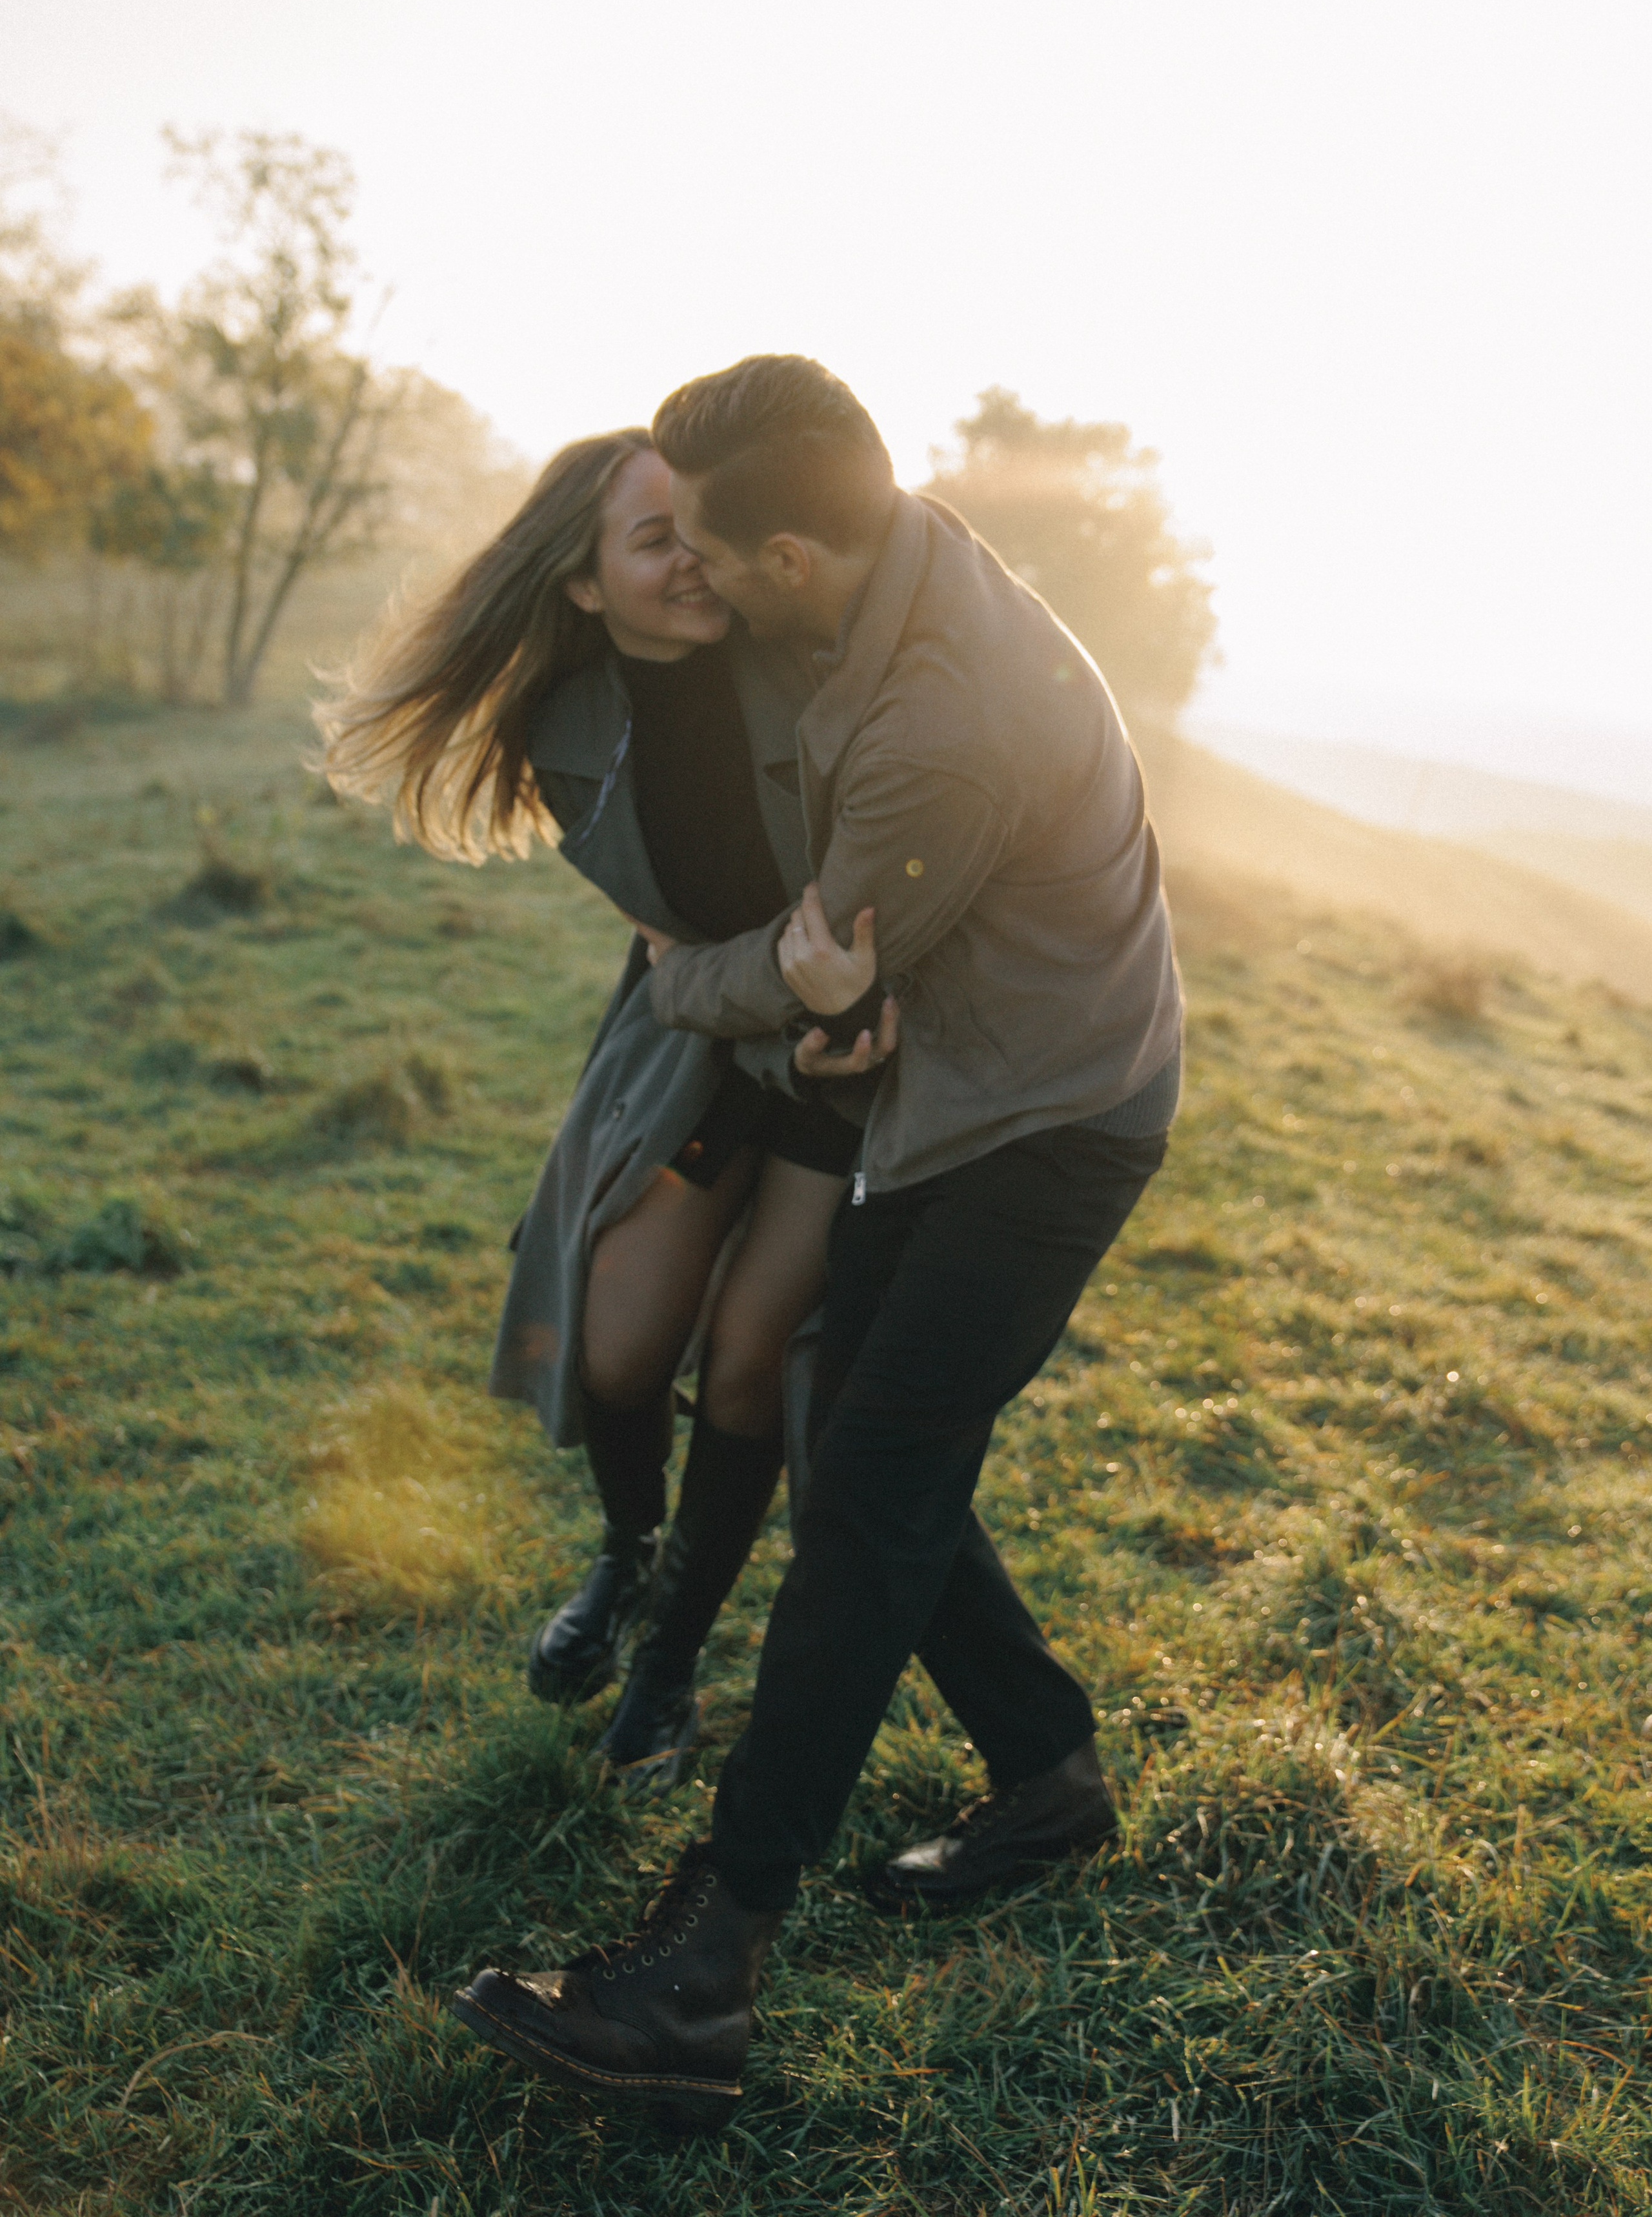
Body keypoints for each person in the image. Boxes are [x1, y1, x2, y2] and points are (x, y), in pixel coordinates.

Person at [453, 356, 1183, 2131]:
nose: (693, 580)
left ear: (787, 556)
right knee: (848, 1424)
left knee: (864, 1482)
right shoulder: (870, 568)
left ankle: (700, 1977)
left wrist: (697, 983)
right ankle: (1047, 1773)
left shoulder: (941, 723)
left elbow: (806, 971)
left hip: (1045, 1123)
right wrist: (790, 987)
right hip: (948, 1085)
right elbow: (810, 970)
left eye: (709, 551)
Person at [317, 428, 892, 1789]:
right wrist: (710, 979)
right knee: (620, 1349)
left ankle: (669, 1665)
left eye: (698, 528)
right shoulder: (564, 723)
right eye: (654, 541)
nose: (696, 560)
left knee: (747, 1362)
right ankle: (628, 1552)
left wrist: (836, 1011)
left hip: (844, 1059)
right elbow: (659, 926)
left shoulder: (797, 660)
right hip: (702, 1040)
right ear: (584, 585)